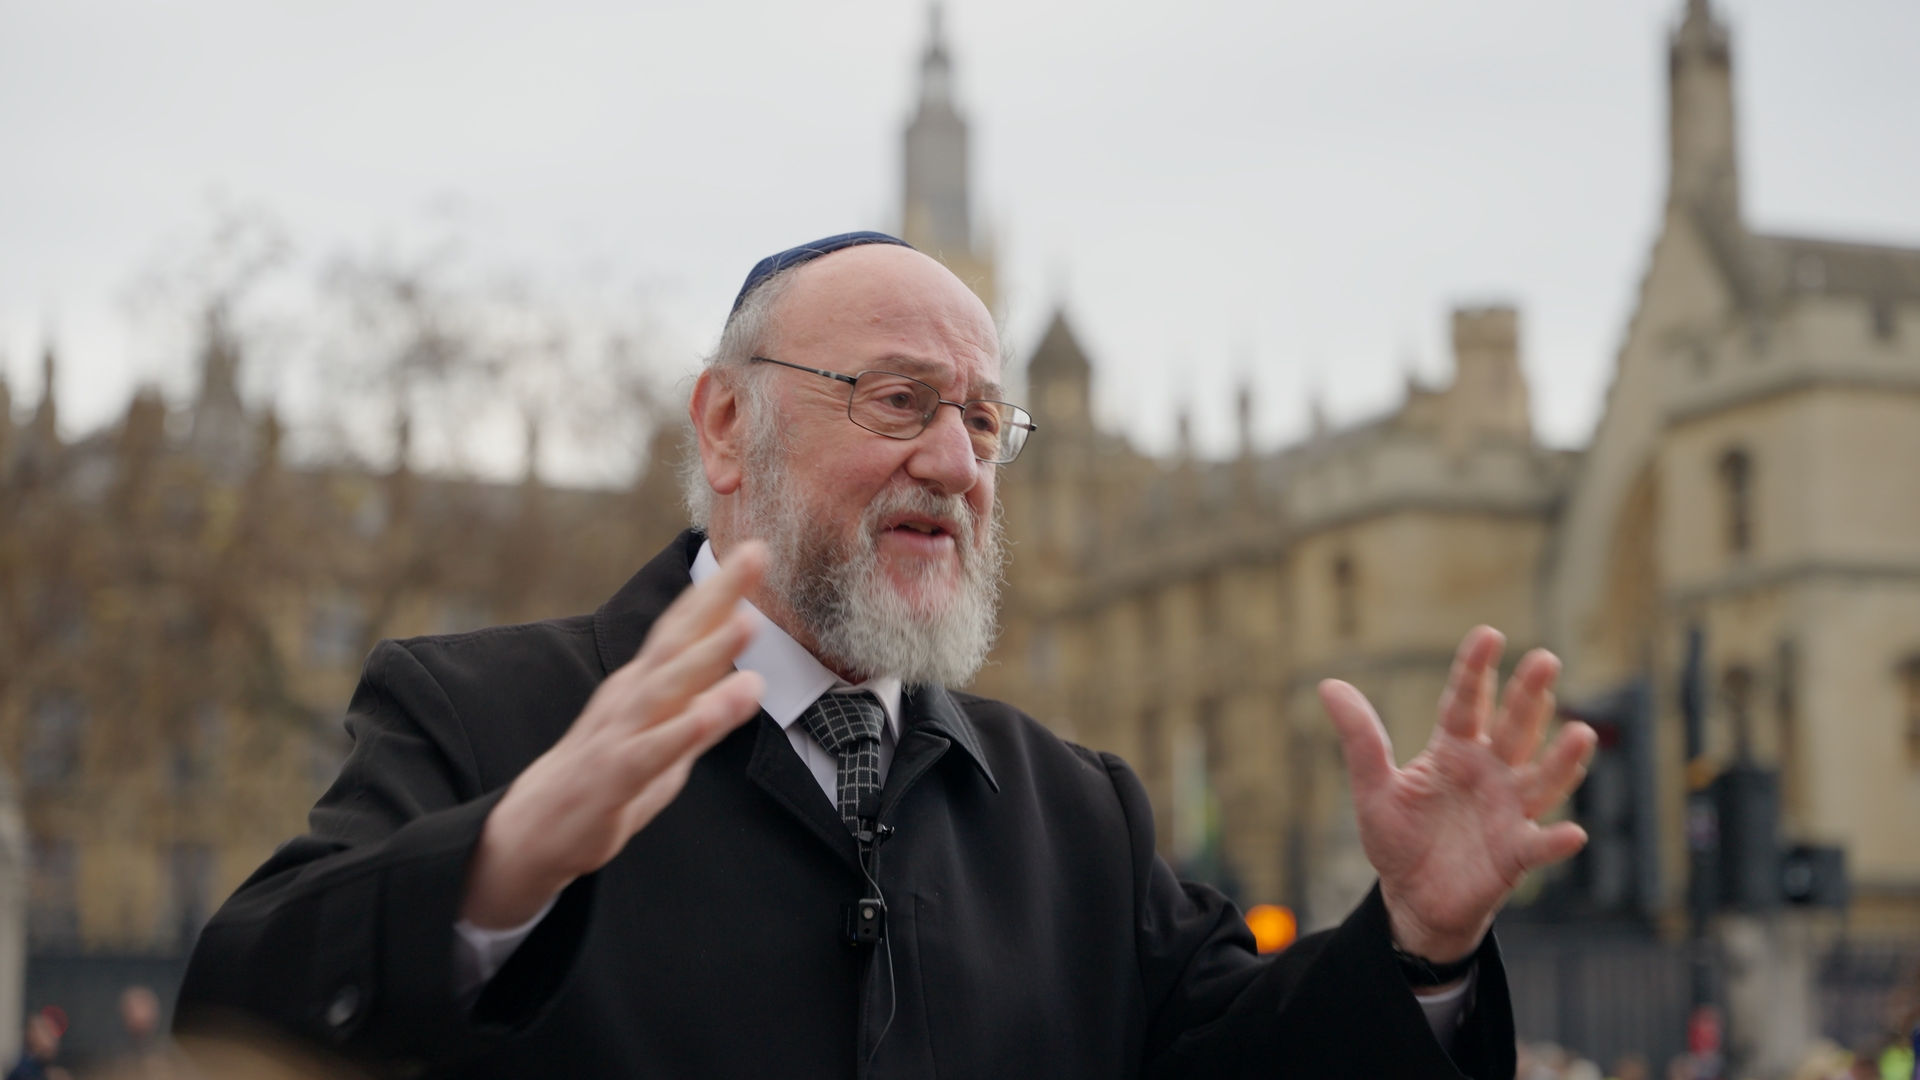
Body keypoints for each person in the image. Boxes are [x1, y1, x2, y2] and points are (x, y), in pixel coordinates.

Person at [175, 231, 1596, 1077]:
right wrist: (505, 859)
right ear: (726, 429)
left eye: (985, 424)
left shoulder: (1075, 816)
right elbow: (238, 1006)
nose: (952, 461)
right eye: (898, 399)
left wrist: (1419, 943)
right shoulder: (480, 714)